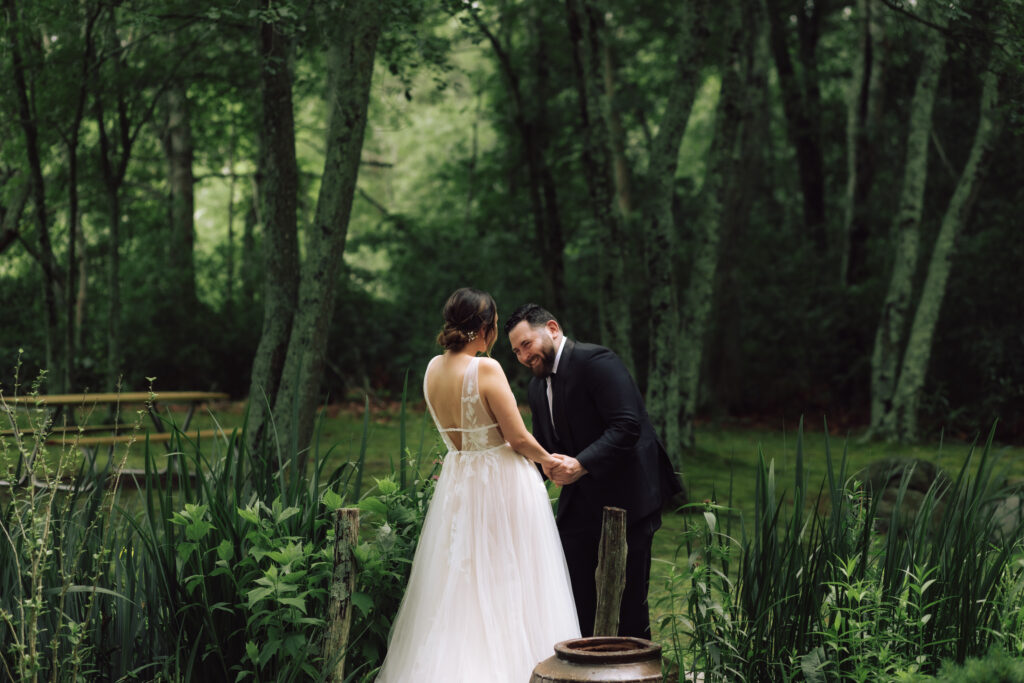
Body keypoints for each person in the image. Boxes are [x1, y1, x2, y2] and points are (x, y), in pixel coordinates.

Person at [376, 288, 580, 682]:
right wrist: (551, 462)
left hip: (459, 481)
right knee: (510, 574)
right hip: (500, 481)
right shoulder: (485, 369)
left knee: (461, 579)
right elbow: (517, 438)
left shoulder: (433, 369)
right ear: (485, 329)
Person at [505, 303, 684, 640]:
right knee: (572, 592)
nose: (523, 356)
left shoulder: (596, 361)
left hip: (630, 493)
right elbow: (543, 447)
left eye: (527, 344)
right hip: (581, 499)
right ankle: (583, 665)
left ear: (553, 329)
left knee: (630, 599)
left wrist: (581, 463)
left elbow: (627, 425)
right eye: (516, 351)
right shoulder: (535, 388)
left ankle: (636, 671)